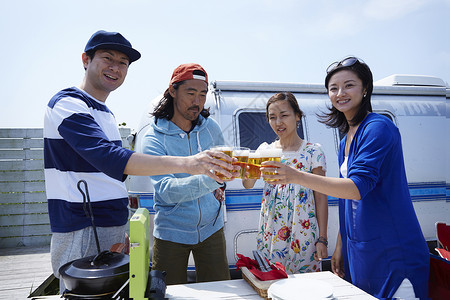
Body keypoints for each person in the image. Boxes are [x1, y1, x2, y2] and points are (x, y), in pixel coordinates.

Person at [44, 32, 233, 292]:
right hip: (83, 225)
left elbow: (107, 177)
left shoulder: (104, 112)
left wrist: (121, 223)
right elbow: (111, 159)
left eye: (123, 63)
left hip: (110, 225)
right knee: (82, 294)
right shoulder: (67, 103)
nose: (115, 67)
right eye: (107, 58)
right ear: (85, 59)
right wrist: (192, 165)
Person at [260, 57, 430, 299]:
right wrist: (340, 246)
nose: (340, 93)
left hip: (392, 253)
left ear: (365, 88)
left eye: (349, 85)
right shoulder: (345, 138)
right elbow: (347, 201)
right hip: (361, 254)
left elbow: (356, 188)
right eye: (333, 88)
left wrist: (296, 176)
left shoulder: (378, 128)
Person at [140, 63, 236, 285]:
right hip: (170, 232)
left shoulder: (211, 128)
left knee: (220, 293)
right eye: (190, 93)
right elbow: (167, 191)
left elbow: (223, 167)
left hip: (212, 229)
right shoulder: (153, 138)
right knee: (169, 294)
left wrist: (221, 186)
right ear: (173, 91)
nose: (197, 102)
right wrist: (214, 180)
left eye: (202, 94)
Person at [242, 92, 328, 274]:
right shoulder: (265, 150)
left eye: (284, 115)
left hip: (303, 232)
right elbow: (248, 185)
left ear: (298, 116)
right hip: (272, 232)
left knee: (305, 287)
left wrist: (322, 238)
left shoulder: (313, 151)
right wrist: (249, 166)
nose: (278, 122)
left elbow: (321, 198)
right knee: (273, 282)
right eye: (272, 117)